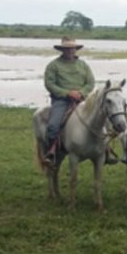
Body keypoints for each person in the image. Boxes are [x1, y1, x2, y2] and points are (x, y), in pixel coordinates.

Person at [43, 36, 98, 164]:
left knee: (102, 118)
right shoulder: (53, 65)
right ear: (62, 50)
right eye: (67, 49)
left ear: (75, 50)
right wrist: (67, 93)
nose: (70, 51)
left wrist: (81, 93)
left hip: (82, 99)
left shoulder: (83, 65)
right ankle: (51, 153)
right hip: (62, 101)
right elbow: (49, 84)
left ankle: (104, 150)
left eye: (72, 49)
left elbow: (90, 82)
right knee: (53, 125)